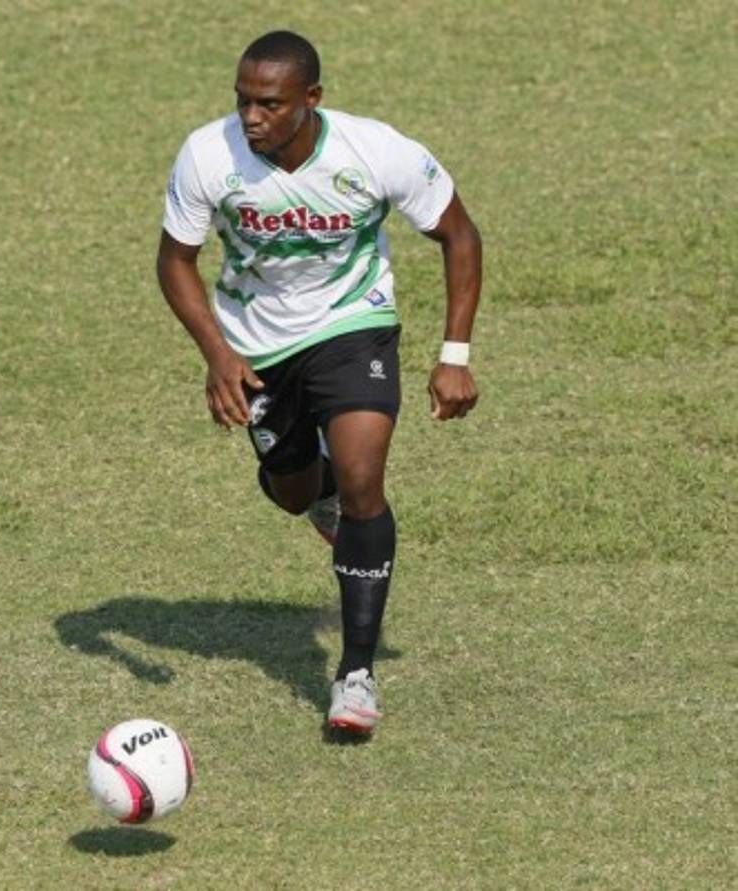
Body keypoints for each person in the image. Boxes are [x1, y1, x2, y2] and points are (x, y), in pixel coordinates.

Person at [156, 30, 482, 734]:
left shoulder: (376, 151)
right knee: (294, 490)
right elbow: (174, 261)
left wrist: (454, 354)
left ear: (311, 99)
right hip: (256, 346)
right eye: (243, 100)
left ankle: (355, 676)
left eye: (269, 104)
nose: (251, 117)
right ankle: (320, 491)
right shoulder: (208, 155)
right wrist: (217, 355)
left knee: (365, 479)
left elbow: (459, 234)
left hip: (352, 326)